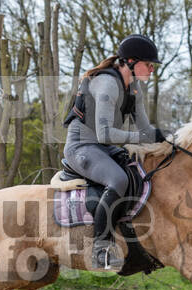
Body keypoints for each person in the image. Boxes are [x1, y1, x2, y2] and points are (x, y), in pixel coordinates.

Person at [63, 34, 170, 270]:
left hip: (104, 148)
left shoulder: (134, 88)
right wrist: (143, 138)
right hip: (81, 147)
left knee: (140, 171)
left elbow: (145, 129)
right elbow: (103, 133)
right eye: (148, 64)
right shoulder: (107, 84)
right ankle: (100, 248)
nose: (152, 69)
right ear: (130, 61)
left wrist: (169, 138)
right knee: (118, 179)